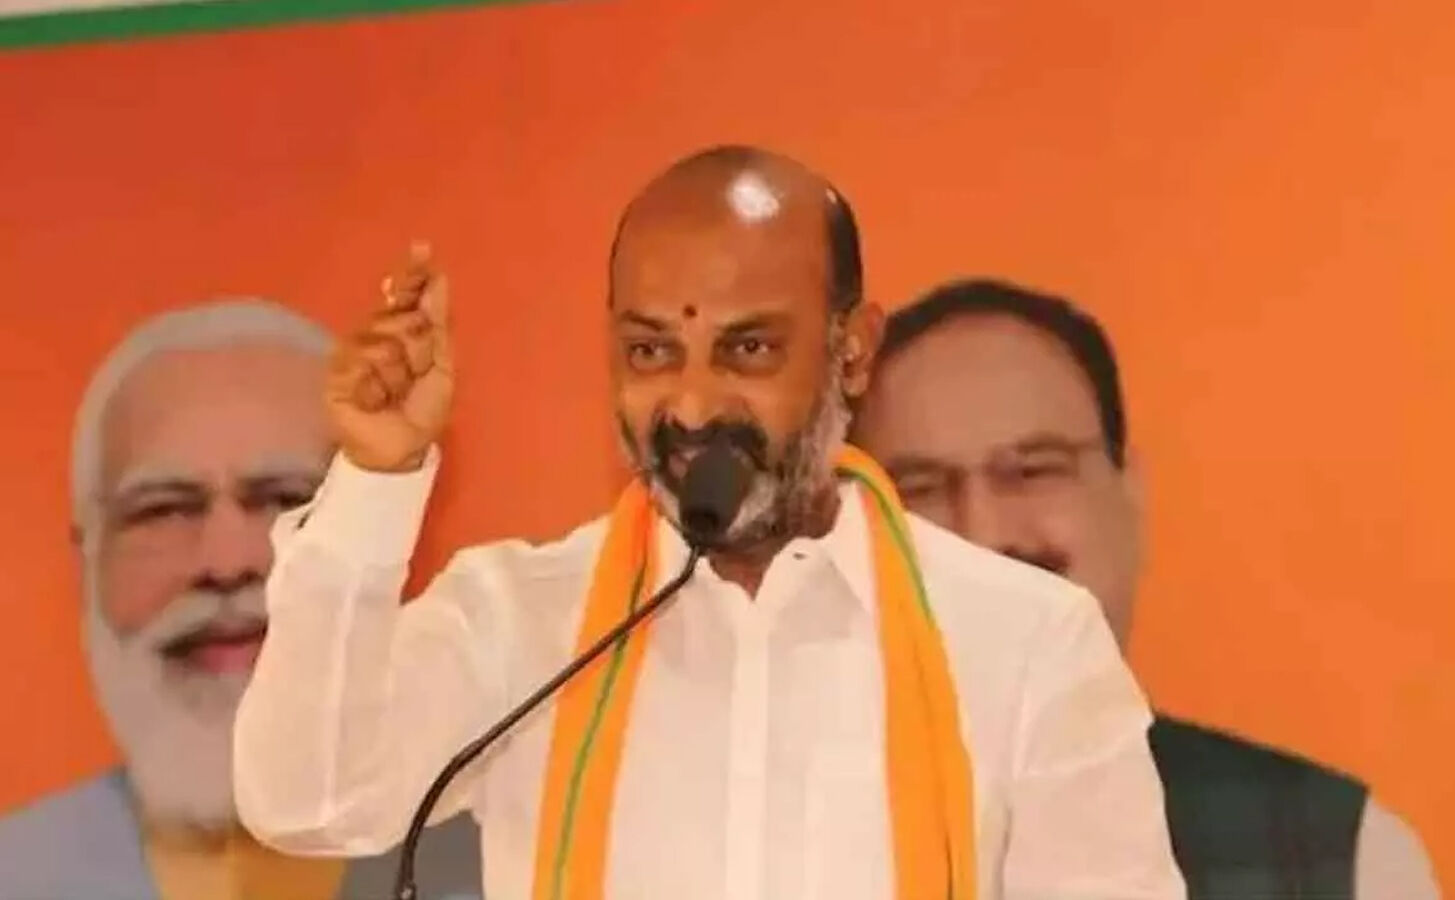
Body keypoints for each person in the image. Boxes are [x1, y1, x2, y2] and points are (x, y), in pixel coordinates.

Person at [233, 146, 1187, 898]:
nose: (691, 407)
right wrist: (376, 479)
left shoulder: (1025, 642)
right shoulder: (522, 620)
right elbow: (310, 802)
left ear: (854, 353)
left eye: (749, 349)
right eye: (652, 352)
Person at [850, 277, 1443, 900]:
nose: (982, 532)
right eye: (916, 487)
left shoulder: (1342, 857)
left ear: (1129, 495)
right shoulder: (791, 826)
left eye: (1033, 470)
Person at [0, 300, 482, 900]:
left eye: (287, 499)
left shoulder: (522, 867)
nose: (226, 563)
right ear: (86, 566)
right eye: (164, 509)